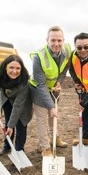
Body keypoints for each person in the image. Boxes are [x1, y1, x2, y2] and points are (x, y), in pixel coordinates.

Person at [29, 26, 71, 156]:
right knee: (42, 118)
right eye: (53, 40)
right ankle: (45, 148)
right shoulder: (38, 57)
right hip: (38, 89)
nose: (56, 44)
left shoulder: (68, 50)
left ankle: (55, 138)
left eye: (59, 40)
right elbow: (41, 85)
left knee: (53, 116)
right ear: (47, 40)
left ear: (63, 40)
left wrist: (59, 81)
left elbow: (65, 69)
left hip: (54, 88)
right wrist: (51, 106)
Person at [0, 54, 33, 156]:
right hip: (7, 100)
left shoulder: (24, 82)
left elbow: (18, 106)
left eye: (18, 68)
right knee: (8, 123)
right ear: (5, 67)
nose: (14, 71)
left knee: (21, 126)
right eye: (11, 67)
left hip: (22, 104)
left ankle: (19, 151)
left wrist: (12, 126)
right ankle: (7, 147)